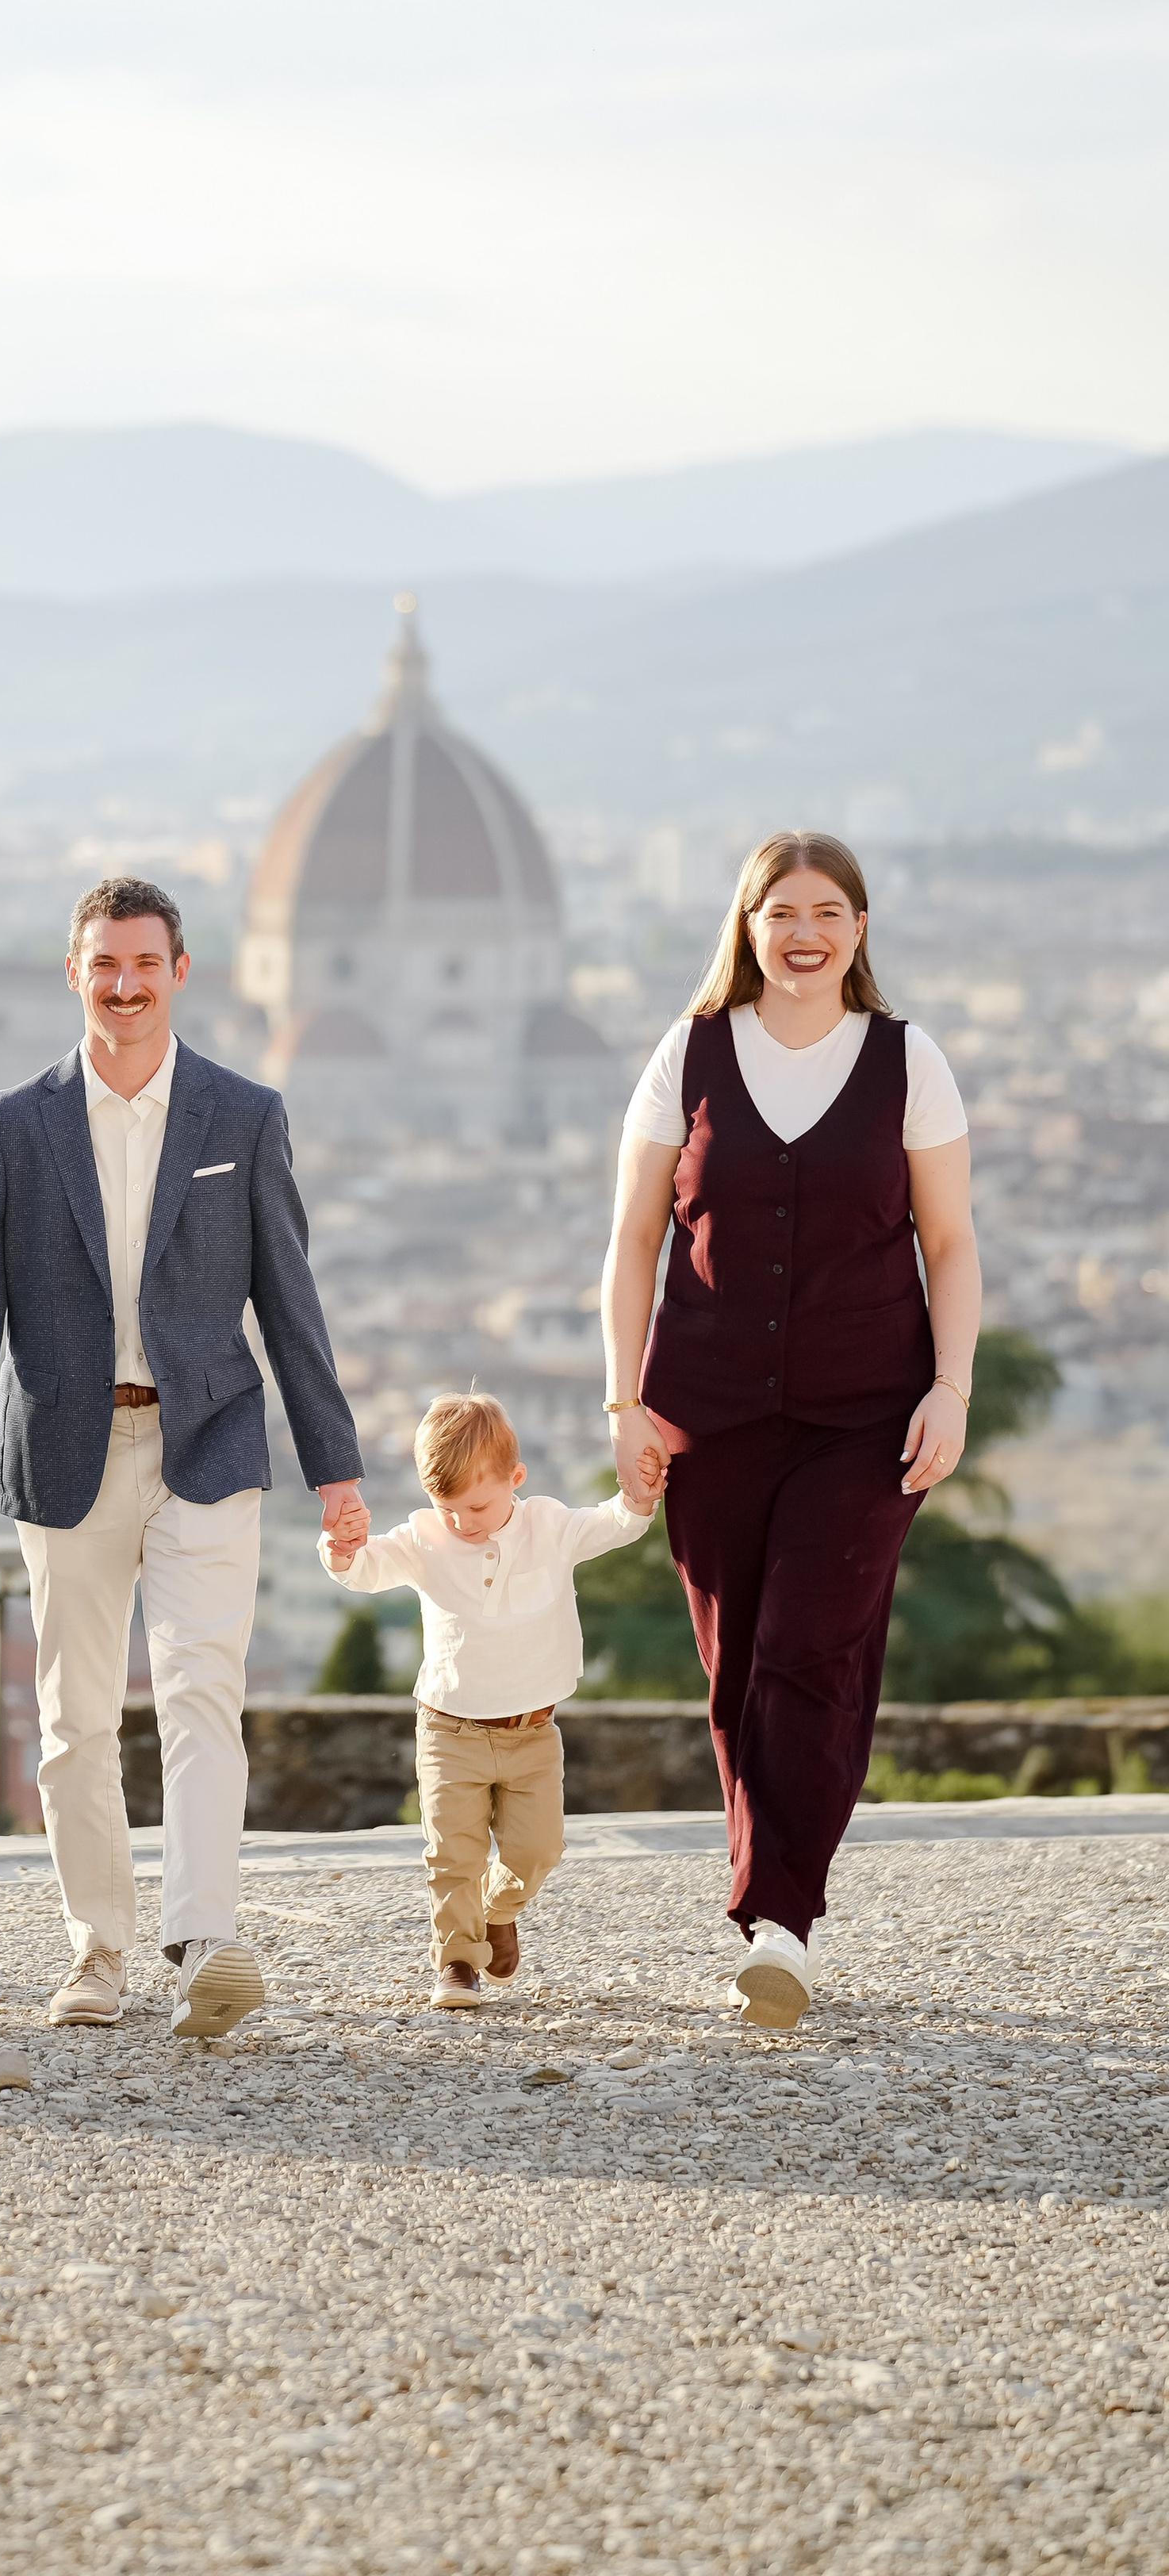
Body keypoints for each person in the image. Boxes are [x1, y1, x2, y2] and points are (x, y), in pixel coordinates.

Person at [0, 877, 366, 2039]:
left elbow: (291, 1306)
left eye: (144, 964)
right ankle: (98, 1951)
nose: (123, 985)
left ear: (180, 973)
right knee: (71, 1719)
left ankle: (206, 1941)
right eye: (103, 964)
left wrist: (338, 1470)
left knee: (205, 1692)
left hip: (205, 1436)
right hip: (63, 1447)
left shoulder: (242, 1115)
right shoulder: (16, 1124)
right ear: (75, 972)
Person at [600, 831, 978, 2029]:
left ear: (859, 931)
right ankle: (770, 1894)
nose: (804, 932)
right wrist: (624, 1403)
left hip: (868, 1415)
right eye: (781, 912)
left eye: (828, 911)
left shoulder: (911, 1064)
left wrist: (951, 1388)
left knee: (812, 1649)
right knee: (737, 1664)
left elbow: (952, 1246)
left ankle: (778, 1920)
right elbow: (632, 1244)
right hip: (707, 1412)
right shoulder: (690, 1052)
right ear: (748, 927)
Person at [321, 1389, 658, 2010]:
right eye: (446, 1507)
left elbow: (615, 1523)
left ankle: (499, 1908)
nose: (461, 1521)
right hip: (449, 1730)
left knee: (539, 1849)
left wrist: (639, 1496)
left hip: (532, 1731)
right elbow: (368, 1570)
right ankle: (456, 1961)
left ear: (516, 1478)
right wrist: (343, 1550)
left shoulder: (551, 1527)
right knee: (452, 1854)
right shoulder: (425, 1538)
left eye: (476, 1505)